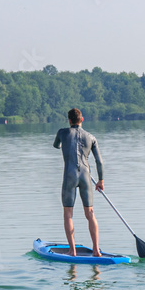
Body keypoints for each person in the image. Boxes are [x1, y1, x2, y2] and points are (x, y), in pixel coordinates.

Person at [54, 108, 104, 257]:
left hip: (69, 176)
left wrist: (64, 144)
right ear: (82, 120)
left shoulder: (62, 133)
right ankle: (96, 250)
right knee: (90, 213)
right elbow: (99, 161)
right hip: (85, 176)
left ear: (69, 120)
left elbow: (56, 145)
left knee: (68, 214)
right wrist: (100, 180)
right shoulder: (91, 137)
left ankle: (72, 250)